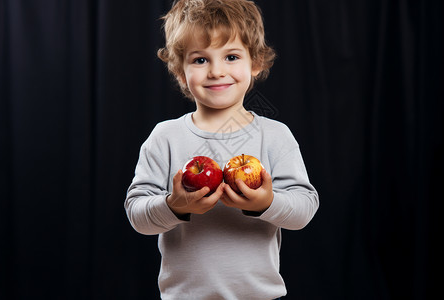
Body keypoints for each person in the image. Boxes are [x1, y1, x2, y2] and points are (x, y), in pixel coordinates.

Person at [124, 0, 319, 299]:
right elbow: (137, 215)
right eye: (200, 60)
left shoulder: (275, 136)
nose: (216, 71)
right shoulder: (165, 137)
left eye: (231, 56)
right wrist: (175, 206)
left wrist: (266, 203)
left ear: (255, 62)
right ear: (180, 71)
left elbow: (304, 209)